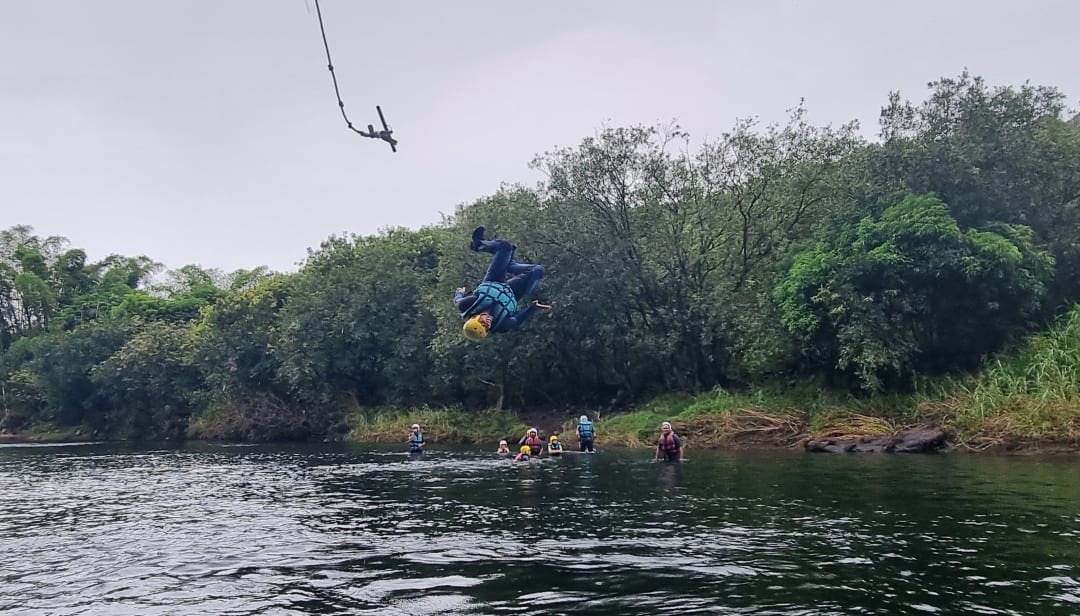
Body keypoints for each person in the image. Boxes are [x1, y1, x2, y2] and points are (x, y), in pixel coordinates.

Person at [455, 226, 551, 341]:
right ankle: (510, 264)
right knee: (538, 270)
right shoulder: (502, 325)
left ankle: (479, 244)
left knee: (505, 247)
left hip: (493, 281)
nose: (488, 324)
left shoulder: (468, 304)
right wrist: (533, 308)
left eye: (483, 323)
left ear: (475, 318)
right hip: (514, 292)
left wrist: (459, 293)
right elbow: (516, 321)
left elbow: (457, 301)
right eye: (487, 329)